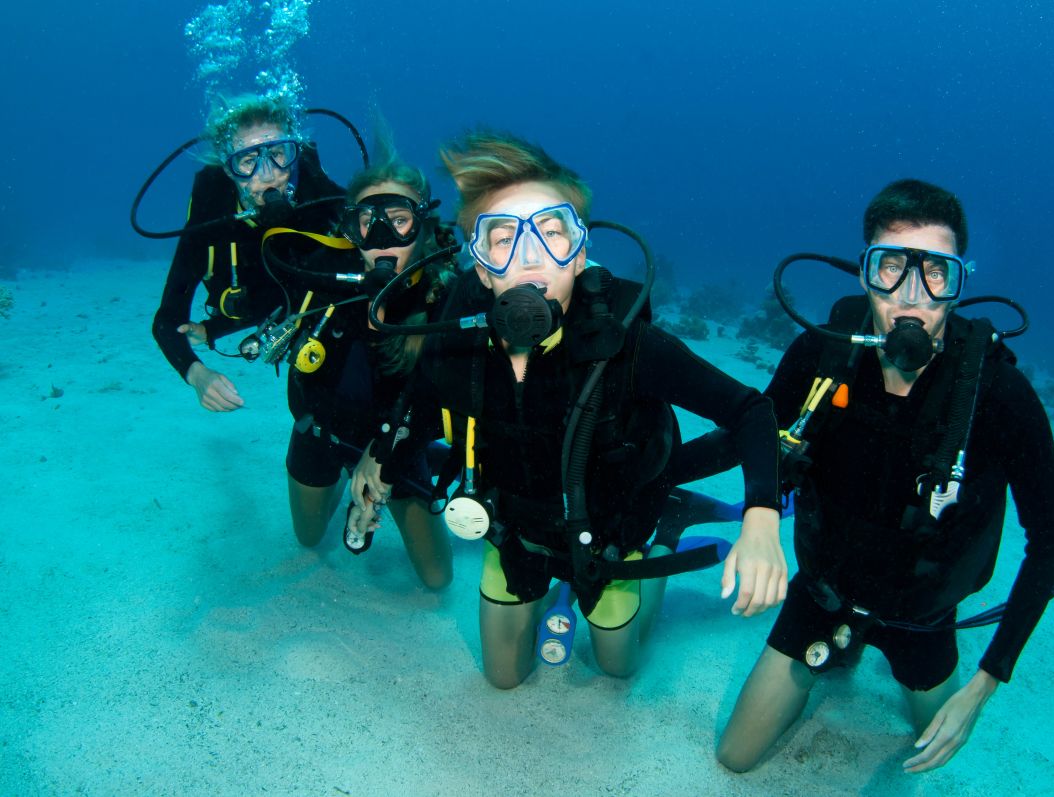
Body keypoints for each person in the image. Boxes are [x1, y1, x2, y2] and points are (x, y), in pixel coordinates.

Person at [353, 132, 788, 688]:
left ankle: (668, 528)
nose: (530, 258)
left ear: (579, 255)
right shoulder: (457, 341)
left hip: (612, 537)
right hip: (516, 533)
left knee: (618, 667)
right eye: (503, 239)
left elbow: (751, 410)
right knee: (503, 679)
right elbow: (419, 403)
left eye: (552, 233)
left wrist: (761, 520)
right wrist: (379, 456)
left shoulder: (630, 345)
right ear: (481, 268)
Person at [692, 179, 1054, 773]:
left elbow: (1047, 546)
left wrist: (986, 683)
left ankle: (886, 655)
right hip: (823, 594)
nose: (911, 295)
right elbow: (755, 433)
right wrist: (664, 479)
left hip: (923, 617)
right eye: (891, 267)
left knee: (933, 752)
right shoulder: (824, 354)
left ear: (958, 282)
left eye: (936, 273)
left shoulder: (999, 395)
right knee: (735, 757)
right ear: (865, 273)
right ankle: (841, 647)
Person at [263, 144, 456, 588]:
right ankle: (347, 487)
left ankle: (427, 460)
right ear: (351, 228)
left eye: (399, 219)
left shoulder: (448, 296)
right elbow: (301, 385)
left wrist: (385, 452)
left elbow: (450, 396)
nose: (383, 236)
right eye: (369, 221)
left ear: (422, 225)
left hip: (398, 445)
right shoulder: (325, 277)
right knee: (309, 538)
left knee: (437, 579)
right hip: (323, 434)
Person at [150, 94, 342, 412]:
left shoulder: (320, 200)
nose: (267, 175)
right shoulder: (211, 219)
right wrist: (198, 375)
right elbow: (167, 320)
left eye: (278, 153)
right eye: (248, 160)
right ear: (229, 169)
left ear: (293, 154)